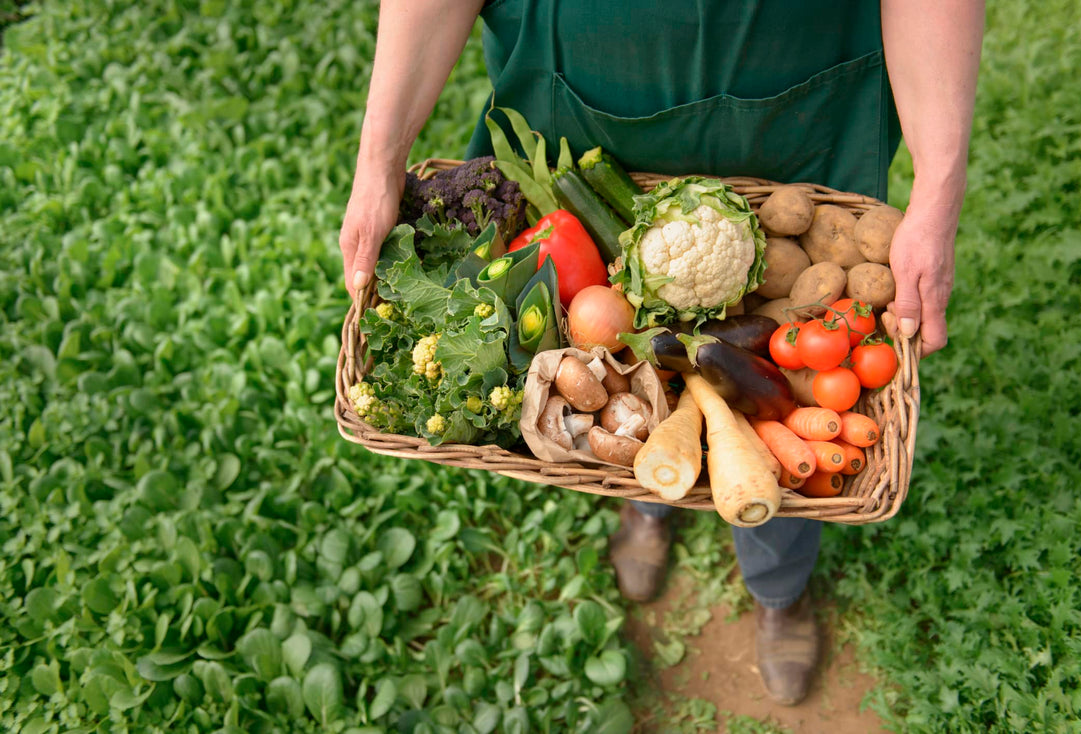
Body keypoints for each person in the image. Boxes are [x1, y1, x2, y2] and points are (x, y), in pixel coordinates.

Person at [340, 0, 985, 707]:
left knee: (791, 404)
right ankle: (647, 500)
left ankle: (778, 583)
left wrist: (941, 185)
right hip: (582, 112)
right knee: (637, 390)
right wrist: (379, 161)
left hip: (798, 109)